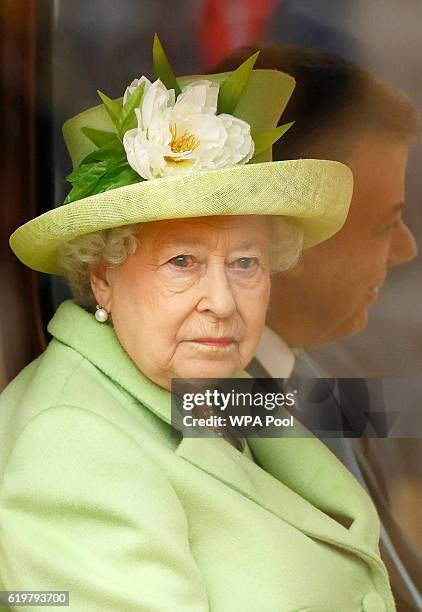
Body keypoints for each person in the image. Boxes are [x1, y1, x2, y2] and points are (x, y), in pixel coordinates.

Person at [0, 38, 395, 612]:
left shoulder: (213, 384)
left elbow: (369, 419)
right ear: (103, 277)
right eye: (182, 262)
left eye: (245, 263)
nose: (223, 301)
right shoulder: (69, 442)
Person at [214, 45, 421, 610]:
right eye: (386, 224)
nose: (407, 248)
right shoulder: (219, 414)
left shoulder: (288, 371)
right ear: (292, 236)